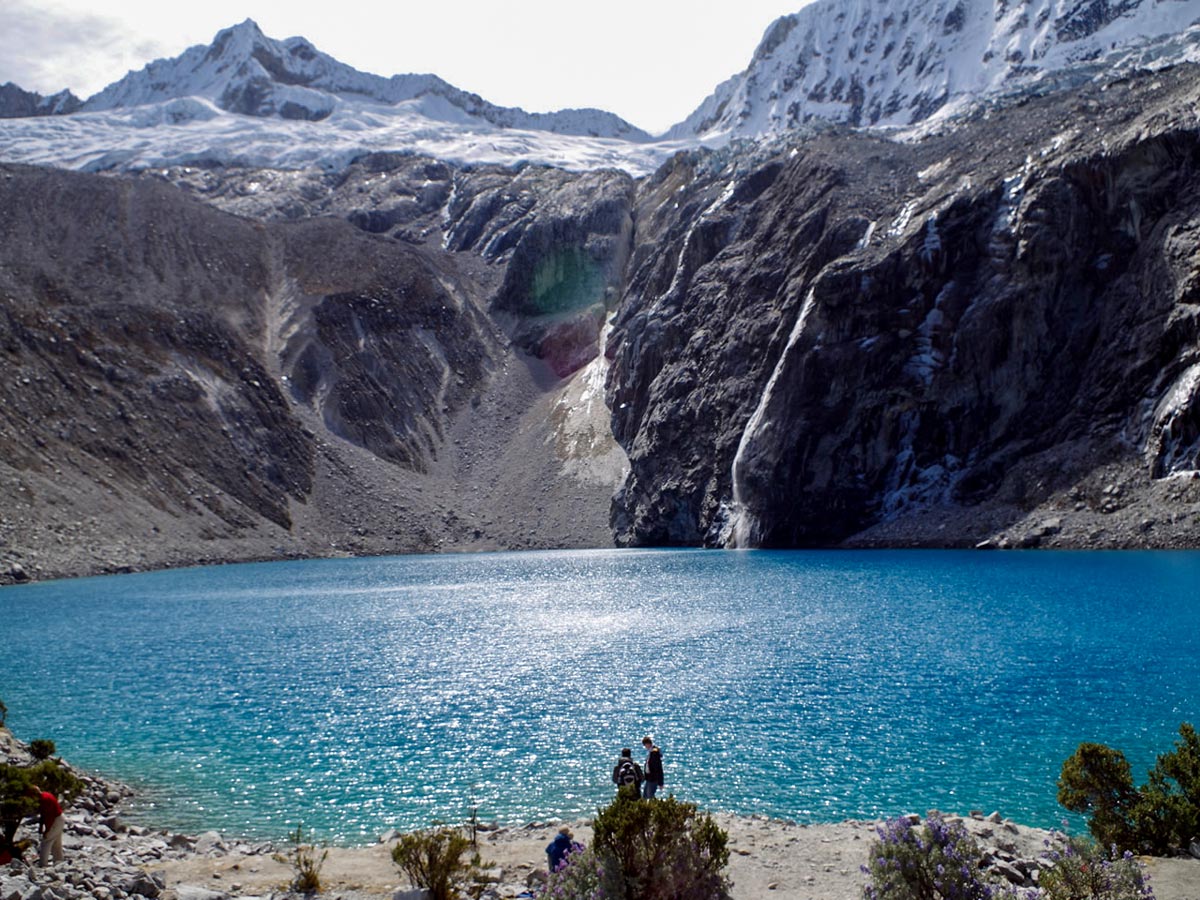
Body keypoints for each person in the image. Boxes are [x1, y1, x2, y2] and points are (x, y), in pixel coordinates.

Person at [28, 785, 63, 865]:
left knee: (46, 841)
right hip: (60, 818)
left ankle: (43, 863)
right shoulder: (46, 795)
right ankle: (59, 861)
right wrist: (41, 827)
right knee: (56, 842)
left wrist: (47, 831)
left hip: (55, 820)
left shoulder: (44, 800)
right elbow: (43, 815)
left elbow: (49, 817)